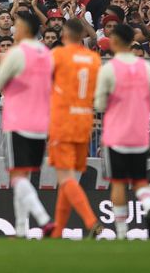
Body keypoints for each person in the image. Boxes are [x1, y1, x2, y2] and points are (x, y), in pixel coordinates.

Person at [0, 12, 54, 238]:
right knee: (24, 178)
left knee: (17, 177)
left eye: (16, 25)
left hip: (18, 121)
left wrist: (1, 64)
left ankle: (44, 219)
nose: (14, 28)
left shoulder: (17, 54)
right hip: (41, 123)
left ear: (25, 28)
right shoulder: (46, 53)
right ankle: (20, 228)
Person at [93, 23, 150, 239]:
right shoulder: (146, 68)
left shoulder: (109, 69)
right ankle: (149, 208)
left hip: (116, 135)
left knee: (118, 183)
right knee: (140, 180)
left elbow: (100, 105)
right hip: (140, 134)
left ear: (115, 41)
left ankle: (122, 233)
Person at [48, 18, 102, 238]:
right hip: (84, 121)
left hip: (63, 120)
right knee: (68, 177)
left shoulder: (58, 55)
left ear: (64, 34)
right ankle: (57, 231)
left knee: (65, 177)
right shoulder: (94, 59)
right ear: (82, 35)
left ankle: (91, 221)